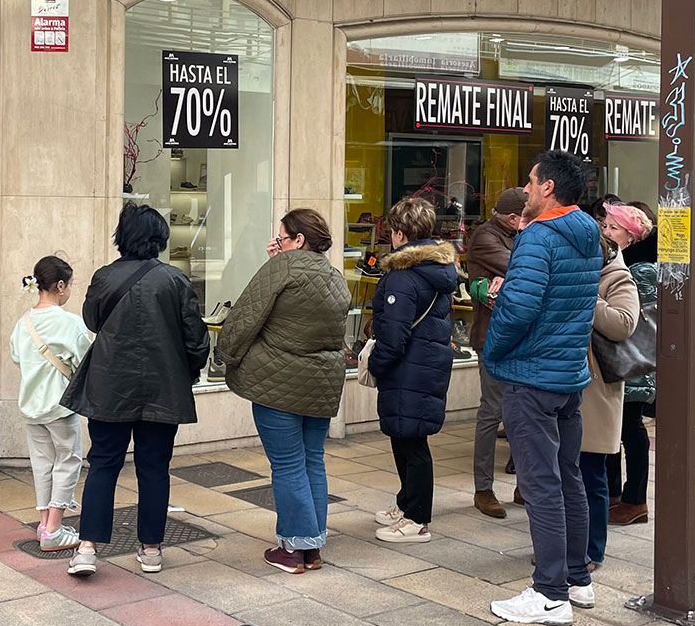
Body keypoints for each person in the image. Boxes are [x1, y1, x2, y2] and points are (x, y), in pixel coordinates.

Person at [483, 151, 602, 626]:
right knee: (567, 476)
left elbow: (518, 309)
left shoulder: (537, 237)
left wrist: (493, 352)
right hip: (568, 375)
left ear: (548, 187)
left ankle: (550, 593)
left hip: (532, 376)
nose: (526, 189)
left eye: (531, 182)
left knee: (541, 483)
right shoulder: (588, 233)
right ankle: (577, 577)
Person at [61, 205, 210, 577]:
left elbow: (92, 321)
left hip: (110, 383)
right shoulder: (175, 280)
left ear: (122, 237)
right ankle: (152, 548)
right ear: (160, 238)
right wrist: (187, 373)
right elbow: (196, 339)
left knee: (104, 464)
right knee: (155, 467)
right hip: (163, 386)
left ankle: (87, 547)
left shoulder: (105, 277)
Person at [216, 209, 350, 573]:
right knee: (312, 461)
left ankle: (294, 549)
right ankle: (313, 546)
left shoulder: (283, 268)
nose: (278, 244)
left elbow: (245, 317)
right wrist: (281, 261)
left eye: (282, 238)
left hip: (278, 382)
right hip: (321, 383)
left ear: (299, 240)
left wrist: (224, 355)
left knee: (288, 464)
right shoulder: (335, 277)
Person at [364, 197, 458, 546]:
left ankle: (418, 519)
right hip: (424, 364)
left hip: (409, 368)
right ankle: (407, 504)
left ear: (399, 233)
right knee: (406, 436)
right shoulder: (435, 269)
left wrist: (375, 364)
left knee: (412, 443)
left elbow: (394, 332)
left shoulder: (404, 276)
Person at [8, 256, 91, 553]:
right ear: (59, 286)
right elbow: (85, 360)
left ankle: (45, 524)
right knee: (68, 461)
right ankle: (54, 529)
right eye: (68, 285)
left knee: (42, 463)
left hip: (31, 406)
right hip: (59, 405)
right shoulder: (69, 323)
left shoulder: (23, 322)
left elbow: (17, 358)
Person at [465, 187, 525, 519]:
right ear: (515, 217)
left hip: (520, 335)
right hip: (492, 337)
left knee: (522, 411)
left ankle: (523, 486)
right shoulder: (486, 237)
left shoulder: (520, 234)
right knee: (492, 412)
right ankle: (483, 489)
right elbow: (527, 268)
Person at [581, 230, 641, 567]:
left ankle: (592, 550)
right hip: (564, 384)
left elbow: (623, 324)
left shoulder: (617, 277)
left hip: (597, 388)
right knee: (563, 474)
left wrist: (588, 297)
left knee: (591, 472)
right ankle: (566, 545)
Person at [600, 203, 656, 527]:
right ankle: (613, 494)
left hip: (631, 362)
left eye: (614, 228)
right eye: (605, 226)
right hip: (617, 360)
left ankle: (635, 499)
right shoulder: (614, 262)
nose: (607, 233)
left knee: (630, 430)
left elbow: (631, 321)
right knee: (614, 429)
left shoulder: (639, 268)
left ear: (630, 236)